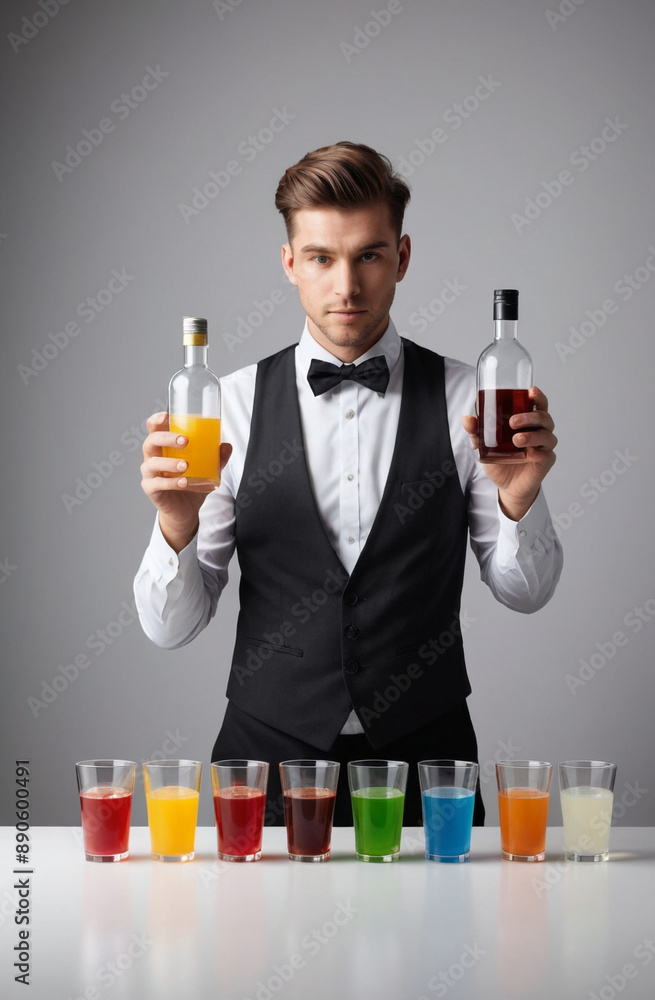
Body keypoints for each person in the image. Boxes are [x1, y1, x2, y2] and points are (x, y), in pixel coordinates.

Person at [134, 141, 562, 827]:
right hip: (264, 771)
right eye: (321, 258)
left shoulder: (469, 398)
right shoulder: (229, 404)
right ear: (289, 263)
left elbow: (526, 593)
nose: (347, 287)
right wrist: (176, 527)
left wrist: (520, 498)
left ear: (403, 257)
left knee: (449, 937)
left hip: (431, 770)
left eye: (368, 255)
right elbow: (169, 629)